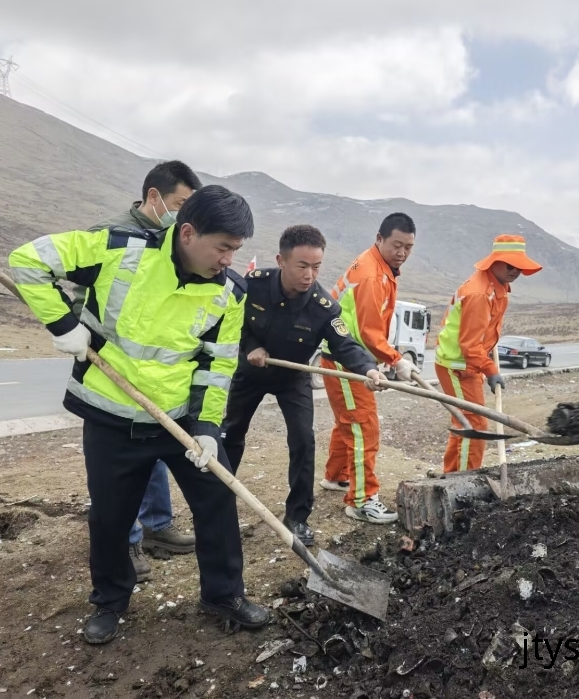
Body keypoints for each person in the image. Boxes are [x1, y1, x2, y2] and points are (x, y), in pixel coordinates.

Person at [8, 186, 269, 645]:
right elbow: (27, 260)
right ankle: (110, 600)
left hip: (180, 420)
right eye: (223, 247)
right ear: (188, 234)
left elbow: (217, 364)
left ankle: (223, 595)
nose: (228, 259)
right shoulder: (117, 249)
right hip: (113, 416)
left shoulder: (230, 292)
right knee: (111, 517)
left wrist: (208, 429)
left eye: (236, 249)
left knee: (218, 499)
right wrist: (63, 324)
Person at [73, 160, 202, 583]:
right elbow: (77, 288)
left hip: (154, 376)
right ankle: (126, 541)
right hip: (112, 371)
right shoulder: (109, 234)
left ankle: (157, 526)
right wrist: (72, 327)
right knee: (117, 463)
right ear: (154, 197)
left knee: (154, 452)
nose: (184, 217)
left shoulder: (172, 240)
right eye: (180, 205)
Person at [221, 225, 387, 547]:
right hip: (252, 372)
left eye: (316, 266)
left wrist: (369, 369)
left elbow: (344, 344)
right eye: (302, 266)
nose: (309, 275)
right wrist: (251, 346)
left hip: (292, 379)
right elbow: (233, 321)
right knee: (232, 434)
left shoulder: (323, 306)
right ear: (281, 260)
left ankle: (297, 517)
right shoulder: (254, 285)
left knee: (303, 441)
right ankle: (217, 503)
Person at [319, 213, 418, 524]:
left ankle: (337, 476)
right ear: (379, 238)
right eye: (397, 245)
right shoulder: (373, 275)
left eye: (408, 247)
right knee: (364, 427)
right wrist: (396, 359)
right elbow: (368, 332)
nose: (402, 253)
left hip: (344, 354)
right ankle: (362, 501)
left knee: (349, 422)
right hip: (347, 359)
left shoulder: (378, 265)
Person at [434, 235, 543, 473]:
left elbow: (483, 333)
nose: (515, 271)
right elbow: (469, 346)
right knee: (474, 425)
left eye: (519, 266)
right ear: (494, 262)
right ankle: (464, 480)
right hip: (457, 365)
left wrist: (488, 353)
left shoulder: (497, 287)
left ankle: (450, 476)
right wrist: (491, 371)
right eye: (510, 265)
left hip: (467, 363)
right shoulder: (480, 294)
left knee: (464, 422)